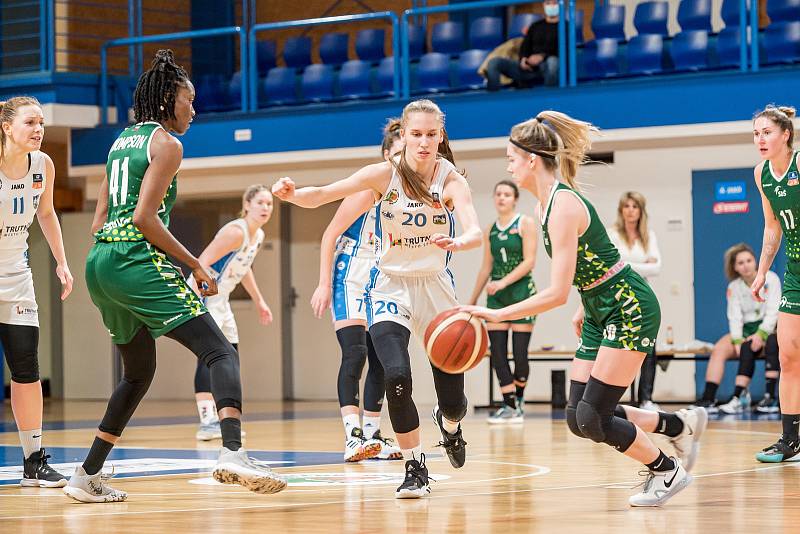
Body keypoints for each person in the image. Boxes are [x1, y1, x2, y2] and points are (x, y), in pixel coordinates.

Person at [63, 50, 286, 503]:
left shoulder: (121, 141)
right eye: (190, 100)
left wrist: (120, 244)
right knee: (220, 351)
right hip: (133, 259)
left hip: (100, 260)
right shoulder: (167, 144)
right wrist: (198, 264)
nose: (194, 109)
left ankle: (86, 475)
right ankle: (232, 452)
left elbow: (98, 218)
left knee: (139, 373)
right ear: (168, 99)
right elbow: (145, 217)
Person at [463, 111, 707, 507]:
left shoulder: (561, 206)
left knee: (594, 416)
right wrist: (585, 303)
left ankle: (667, 471)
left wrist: (499, 313)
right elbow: (584, 267)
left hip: (629, 306)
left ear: (530, 159)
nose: (507, 165)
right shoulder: (544, 207)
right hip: (598, 306)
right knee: (579, 417)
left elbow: (556, 292)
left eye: (510, 157)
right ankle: (678, 424)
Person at [273, 99, 482, 499]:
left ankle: (449, 424)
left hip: (436, 285)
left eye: (431, 134)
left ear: (441, 137)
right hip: (390, 285)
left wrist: (462, 239)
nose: (423, 142)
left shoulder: (450, 179)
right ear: (402, 136)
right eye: (416, 134)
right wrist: (291, 193)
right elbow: (321, 195)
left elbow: (473, 226)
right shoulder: (383, 175)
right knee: (396, 375)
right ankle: (415, 466)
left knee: (453, 399)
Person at [309, 119, 403, 461]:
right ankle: (352, 435)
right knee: (356, 353)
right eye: (397, 155)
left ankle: (374, 435)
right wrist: (322, 283)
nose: (401, 162)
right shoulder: (366, 190)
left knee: (381, 359)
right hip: (348, 275)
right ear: (385, 156)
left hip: (380, 279)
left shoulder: (405, 197)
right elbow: (329, 235)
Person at [0, 96, 74, 487]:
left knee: (26, 371)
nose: (39, 129)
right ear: (7, 127)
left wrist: (62, 262)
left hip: (16, 278)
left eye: (42, 122)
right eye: (30, 122)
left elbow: (45, 213)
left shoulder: (43, 166)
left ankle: (33, 461)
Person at [189, 185, 274, 441]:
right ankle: (207, 421)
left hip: (221, 299)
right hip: (206, 294)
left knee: (231, 356)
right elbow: (200, 262)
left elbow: (244, 267)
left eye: (269, 204)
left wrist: (259, 301)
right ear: (246, 204)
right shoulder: (235, 231)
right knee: (211, 356)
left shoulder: (257, 235)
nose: (265, 208)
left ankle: (224, 416)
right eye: (260, 202)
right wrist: (198, 299)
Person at [750, 104, 800, 462]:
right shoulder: (761, 173)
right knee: (787, 354)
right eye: (756, 133)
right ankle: (791, 439)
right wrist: (762, 270)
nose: (760, 139)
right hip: (795, 271)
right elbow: (772, 226)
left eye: (767, 132)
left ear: (786, 135)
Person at [469, 180, 537, 424]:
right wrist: (473, 300)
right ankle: (508, 404)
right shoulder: (490, 230)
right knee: (497, 353)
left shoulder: (525, 223)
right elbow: (486, 267)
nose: (501, 198)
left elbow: (529, 262)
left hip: (521, 295)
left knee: (520, 354)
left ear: (515, 198)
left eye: (507, 194)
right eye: (498, 194)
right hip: (496, 296)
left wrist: (504, 282)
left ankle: (519, 398)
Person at [693, 243, 781, 415]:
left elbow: (773, 311)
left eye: (749, 260)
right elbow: (734, 317)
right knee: (719, 349)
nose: (746, 265)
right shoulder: (734, 287)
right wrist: (738, 341)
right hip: (745, 330)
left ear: (756, 261)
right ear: (734, 267)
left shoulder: (771, 279)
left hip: (769, 329)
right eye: (740, 263)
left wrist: (761, 334)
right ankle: (708, 399)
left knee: (770, 343)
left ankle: (760, 397)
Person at [607, 191, 662, 411]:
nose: (631, 210)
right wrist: (642, 265)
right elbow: (611, 265)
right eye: (627, 206)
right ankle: (611, 398)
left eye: (635, 206)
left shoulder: (649, 235)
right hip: (618, 298)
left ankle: (646, 399)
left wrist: (626, 264)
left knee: (649, 348)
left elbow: (657, 268)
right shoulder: (612, 234)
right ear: (621, 210)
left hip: (643, 298)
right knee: (618, 347)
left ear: (641, 210)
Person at [485, 0, 560, 91]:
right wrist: (523, 58)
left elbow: (563, 50)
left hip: (547, 66)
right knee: (494, 62)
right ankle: (493, 98)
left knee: (553, 62)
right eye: (548, 3)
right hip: (528, 67)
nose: (551, 6)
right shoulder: (535, 26)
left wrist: (542, 56)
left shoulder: (565, 26)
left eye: (554, 3)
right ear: (543, 5)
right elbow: (525, 45)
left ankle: (550, 96)